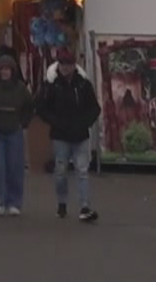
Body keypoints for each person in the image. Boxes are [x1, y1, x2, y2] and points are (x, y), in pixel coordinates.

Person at [36, 47, 101, 223]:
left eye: (69, 64)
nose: (66, 68)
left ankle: (85, 206)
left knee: (82, 171)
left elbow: (95, 107)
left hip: (80, 134)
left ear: (74, 65)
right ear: (59, 65)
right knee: (61, 171)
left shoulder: (83, 84)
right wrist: (54, 121)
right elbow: (41, 106)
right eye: (63, 64)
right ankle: (62, 203)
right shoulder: (52, 84)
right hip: (60, 135)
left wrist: (86, 122)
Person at [0, 52, 35, 216]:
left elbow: (30, 106)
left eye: (8, 69)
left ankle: (14, 202)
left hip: (15, 131)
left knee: (15, 167)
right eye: (2, 69)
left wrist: (23, 122)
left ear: (13, 70)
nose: (5, 72)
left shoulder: (20, 87)